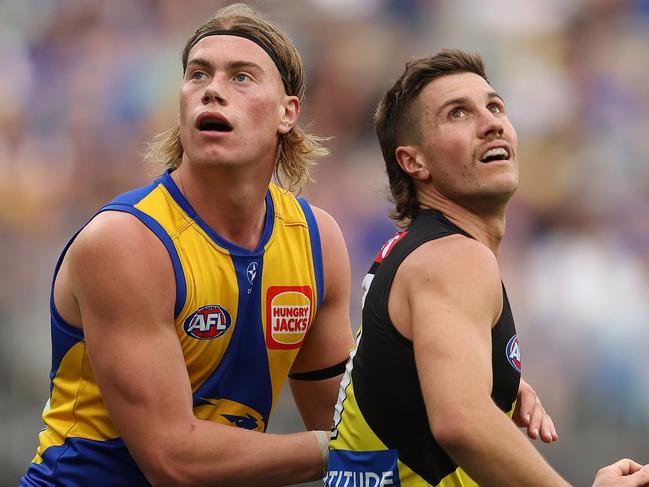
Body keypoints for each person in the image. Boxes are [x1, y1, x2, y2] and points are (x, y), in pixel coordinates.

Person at [21, 4, 354, 486]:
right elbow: (174, 460)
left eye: (241, 77)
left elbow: (343, 429)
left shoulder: (317, 241)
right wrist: (334, 450)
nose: (213, 89)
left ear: (288, 112)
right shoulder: (127, 241)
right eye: (198, 74)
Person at [327, 49, 649, 487]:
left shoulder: (411, 253)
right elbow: (462, 421)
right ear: (413, 161)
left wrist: (493, 373)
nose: (492, 122)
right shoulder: (453, 257)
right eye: (458, 113)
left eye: (495, 106)